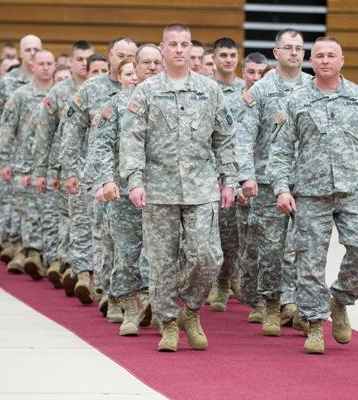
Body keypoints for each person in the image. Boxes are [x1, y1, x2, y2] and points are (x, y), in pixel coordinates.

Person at [120, 23, 238, 352]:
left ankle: (190, 309)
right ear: (162, 48)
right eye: (173, 44)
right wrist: (134, 181)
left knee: (209, 256)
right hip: (158, 186)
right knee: (162, 261)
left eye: (185, 44)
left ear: (191, 49)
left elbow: (226, 138)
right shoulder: (144, 92)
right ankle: (168, 324)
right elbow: (131, 140)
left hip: (202, 187)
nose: (179, 50)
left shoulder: (209, 90)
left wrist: (230, 179)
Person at [267, 36, 358, 354]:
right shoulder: (296, 100)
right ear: (312, 61)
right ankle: (314, 325)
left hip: (353, 190)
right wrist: (281, 188)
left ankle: (340, 300)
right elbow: (280, 150)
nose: (324, 60)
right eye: (318, 55)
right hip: (310, 192)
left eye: (330, 55)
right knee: (308, 262)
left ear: (341, 61)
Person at [240, 29, 313, 337]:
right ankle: (271, 303)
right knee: (270, 248)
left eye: (298, 48)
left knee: (305, 247)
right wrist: (246, 174)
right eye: (288, 47)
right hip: (269, 181)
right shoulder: (260, 89)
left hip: (308, 181)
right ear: (276, 53)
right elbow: (244, 134)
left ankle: (296, 305)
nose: (294, 52)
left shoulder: (313, 87)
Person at [89, 44, 163, 336]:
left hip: (162, 190)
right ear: (136, 67)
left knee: (162, 254)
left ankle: (157, 305)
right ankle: (129, 307)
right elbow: (101, 146)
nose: (153, 67)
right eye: (147, 63)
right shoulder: (117, 105)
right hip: (122, 191)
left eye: (158, 62)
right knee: (126, 252)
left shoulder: (171, 102)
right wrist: (106, 180)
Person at [59, 37, 136, 307]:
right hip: (96, 171)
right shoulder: (92, 88)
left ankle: (116, 289)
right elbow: (71, 130)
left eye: (131, 55)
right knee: (101, 230)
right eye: (120, 55)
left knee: (123, 235)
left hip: (131, 175)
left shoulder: (142, 90)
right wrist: (69, 170)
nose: (125, 59)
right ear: (110, 56)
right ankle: (100, 285)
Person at [32, 40, 94, 289]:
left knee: (86, 220)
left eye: (88, 60)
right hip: (64, 167)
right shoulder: (58, 92)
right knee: (65, 217)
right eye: (79, 59)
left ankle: (76, 267)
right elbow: (44, 135)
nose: (84, 64)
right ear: (70, 62)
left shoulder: (99, 90)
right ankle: (64, 262)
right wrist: (41, 171)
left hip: (94, 166)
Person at [0, 49, 54, 276]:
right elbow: (7, 129)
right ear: (32, 66)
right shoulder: (20, 95)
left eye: (50, 63)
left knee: (49, 214)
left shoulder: (59, 94)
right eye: (41, 63)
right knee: (28, 212)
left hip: (50, 165)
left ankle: (45, 256)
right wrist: (3, 160)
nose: (46, 67)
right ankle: (29, 253)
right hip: (24, 164)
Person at [0, 34, 41, 263]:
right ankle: (15, 244)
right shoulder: (9, 83)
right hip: (16, 152)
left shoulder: (48, 81)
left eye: (37, 49)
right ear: (20, 53)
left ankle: (32, 250)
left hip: (39, 153)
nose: (33, 53)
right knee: (16, 202)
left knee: (36, 204)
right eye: (28, 50)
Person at [207, 37, 246, 312]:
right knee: (210, 234)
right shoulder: (204, 88)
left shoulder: (247, 90)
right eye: (223, 55)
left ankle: (227, 280)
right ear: (214, 58)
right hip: (207, 172)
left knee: (232, 233)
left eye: (233, 55)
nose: (229, 59)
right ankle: (211, 281)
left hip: (238, 172)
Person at [235, 51, 268, 323]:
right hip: (244, 188)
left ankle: (277, 301)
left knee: (283, 247)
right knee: (249, 249)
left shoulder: (276, 100)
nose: (256, 79)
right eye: (251, 73)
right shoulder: (233, 103)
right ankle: (253, 297)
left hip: (272, 184)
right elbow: (224, 145)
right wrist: (235, 184)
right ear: (242, 72)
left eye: (262, 73)